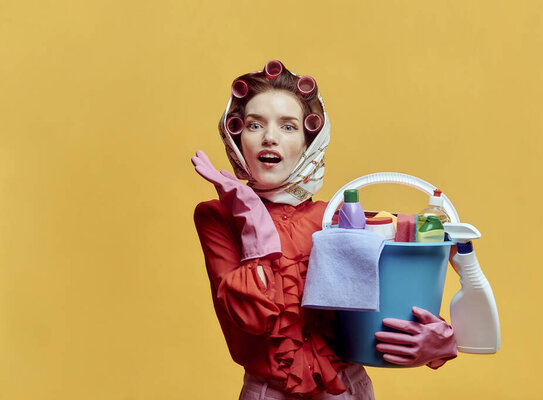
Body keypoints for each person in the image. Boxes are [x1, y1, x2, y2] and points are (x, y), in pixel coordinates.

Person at [192, 60, 457, 399]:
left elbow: (405, 281)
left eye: (288, 127)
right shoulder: (218, 217)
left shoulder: (336, 219)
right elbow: (252, 318)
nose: (269, 138)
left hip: (348, 390)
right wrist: (248, 212)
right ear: (237, 137)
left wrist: (442, 342)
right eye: (255, 125)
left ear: (308, 144)